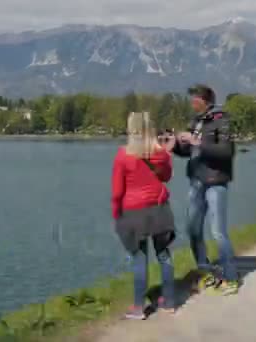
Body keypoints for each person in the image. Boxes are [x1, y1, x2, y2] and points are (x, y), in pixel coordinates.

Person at [172, 84, 239, 295]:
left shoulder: (222, 119)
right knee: (192, 230)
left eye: (194, 99)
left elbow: (226, 151)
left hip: (215, 181)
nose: (192, 103)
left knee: (218, 232)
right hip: (196, 181)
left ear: (205, 100)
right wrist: (175, 144)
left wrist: (197, 141)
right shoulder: (196, 122)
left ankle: (230, 278)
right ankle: (206, 271)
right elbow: (186, 152)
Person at [111, 112, 177, 320]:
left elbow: (117, 191)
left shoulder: (123, 155)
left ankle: (138, 307)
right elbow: (166, 177)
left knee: (140, 259)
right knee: (164, 255)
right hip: (159, 210)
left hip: (134, 213)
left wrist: (116, 215)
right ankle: (169, 301)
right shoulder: (162, 155)